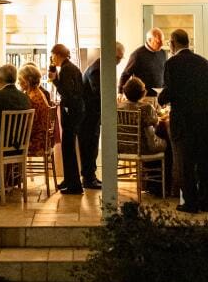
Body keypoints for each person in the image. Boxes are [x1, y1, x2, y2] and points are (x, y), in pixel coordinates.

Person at [158, 28, 208, 213]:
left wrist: (160, 98)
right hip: (203, 118)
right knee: (204, 161)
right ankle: (204, 201)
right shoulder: (203, 62)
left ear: (173, 43)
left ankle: (190, 202)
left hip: (182, 120)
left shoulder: (172, 63)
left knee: (184, 163)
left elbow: (169, 90)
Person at [79, 41, 126, 190]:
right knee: (89, 147)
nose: (119, 61)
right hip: (88, 116)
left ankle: (90, 177)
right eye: (117, 58)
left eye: (121, 58)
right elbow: (100, 94)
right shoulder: (97, 70)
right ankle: (88, 178)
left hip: (92, 115)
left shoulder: (100, 67)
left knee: (92, 147)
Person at [49, 44, 85, 194]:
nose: (52, 59)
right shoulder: (70, 68)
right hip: (76, 111)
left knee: (68, 148)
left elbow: (68, 93)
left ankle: (74, 185)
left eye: (52, 55)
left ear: (58, 55)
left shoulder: (66, 69)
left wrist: (55, 81)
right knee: (67, 147)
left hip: (71, 112)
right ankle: (69, 180)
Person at [121, 76, 166, 158]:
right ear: (142, 92)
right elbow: (156, 124)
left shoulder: (119, 107)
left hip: (123, 147)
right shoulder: (146, 107)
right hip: (144, 148)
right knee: (168, 141)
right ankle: (163, 166)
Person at [118, 28, 168, 96]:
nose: (162, 44)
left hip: (159, 95)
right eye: (158, 42)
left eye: (162, 41)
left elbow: (165, 73)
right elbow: (126, 74)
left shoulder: (163, 53)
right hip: (143, 96)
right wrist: (120, 92)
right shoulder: (137, 55)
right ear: (149, 40)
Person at [18, 63, 54, 157]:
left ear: (27, 81)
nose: (18, 83)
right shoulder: (38, 92)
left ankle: (13, 166)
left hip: (36, 143)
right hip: (43, 140)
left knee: (6, 144)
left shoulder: (31, 98)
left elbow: (27, 125)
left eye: (20, 79)